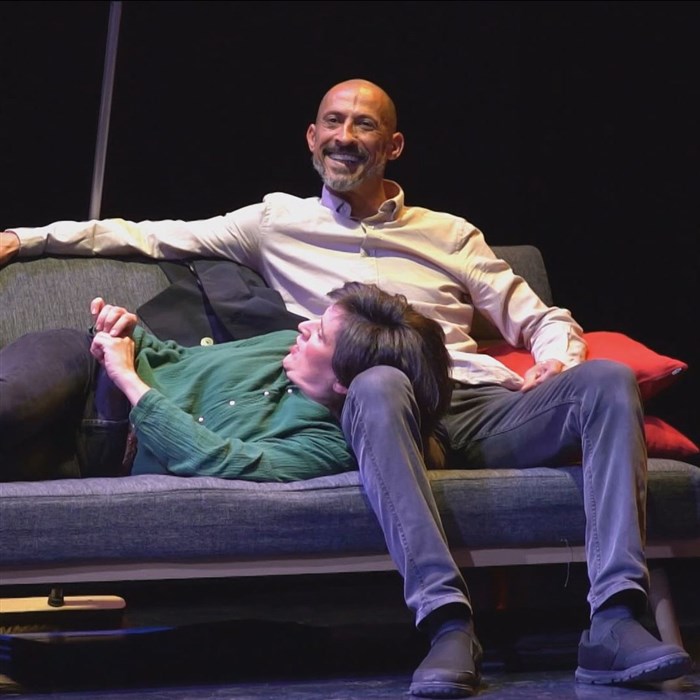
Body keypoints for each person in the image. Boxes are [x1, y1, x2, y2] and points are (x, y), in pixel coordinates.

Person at [0, 78, 692, 696]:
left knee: (605, 380)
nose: (345, 136)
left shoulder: (449, 234)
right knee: (380, 382)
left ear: (392, 146)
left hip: (474, 400)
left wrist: (557, 360)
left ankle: (615, 618)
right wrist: (25, 238)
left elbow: (540, 317)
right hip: (376, 404)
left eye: (364, 125)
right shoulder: (275, 223)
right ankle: (446, 623)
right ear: (311, 137)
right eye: (333, 121)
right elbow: (150, 236)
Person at [1, 280, 451, 486]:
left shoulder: (326, 447)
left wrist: (132, 381)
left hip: (100, 451)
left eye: (319, 335)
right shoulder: (283, 346)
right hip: (87, 370)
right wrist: (127, 331)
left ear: (344, 383)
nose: (302, 329)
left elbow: (219, 461)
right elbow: (180, 358)